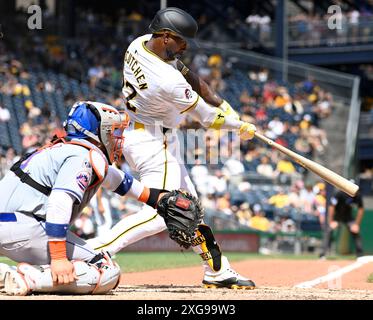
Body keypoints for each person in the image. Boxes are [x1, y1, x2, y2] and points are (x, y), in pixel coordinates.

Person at [87, 7, 257, 289]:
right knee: (161, 212)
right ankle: (94, 252)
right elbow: (206, 118)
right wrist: (238, 126)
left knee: (189, 208)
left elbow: (192, 78)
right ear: (165, 37)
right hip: (154, 142)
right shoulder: (166, 80)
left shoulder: (140, 43)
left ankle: (217, 269)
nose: (185, 46)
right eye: (181, 41)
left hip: (142, 133)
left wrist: (223, 104)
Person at [0, 101, 180, 295]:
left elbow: (121, 181)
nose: (116, 137)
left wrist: (160, 199)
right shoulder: (82, 155)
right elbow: (59, 202)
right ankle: (29, 278)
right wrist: (59, 258)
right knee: (107, 270)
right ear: (97, 131)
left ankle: (4, 274)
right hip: (23, 228)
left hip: (12, 225)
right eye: (111, 130)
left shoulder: (65, 149)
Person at [320, 188, 365, 258]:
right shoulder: (339, 194)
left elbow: (361, 209)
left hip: (348, 218)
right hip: (337, 218)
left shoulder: (357, 195)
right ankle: (322, 254)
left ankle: (360, 255)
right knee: (328, 231)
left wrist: (356, 224)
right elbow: (331, 207)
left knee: (356, 232)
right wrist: (331, 221)